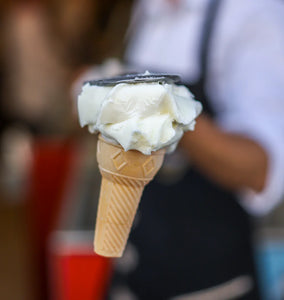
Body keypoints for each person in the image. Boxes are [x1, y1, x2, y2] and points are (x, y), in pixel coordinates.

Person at [108, 0, 284, 299]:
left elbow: (260, 170)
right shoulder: (148, 9)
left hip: (211, 281)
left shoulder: (252, 11)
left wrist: (168, 111)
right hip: (136, 265)